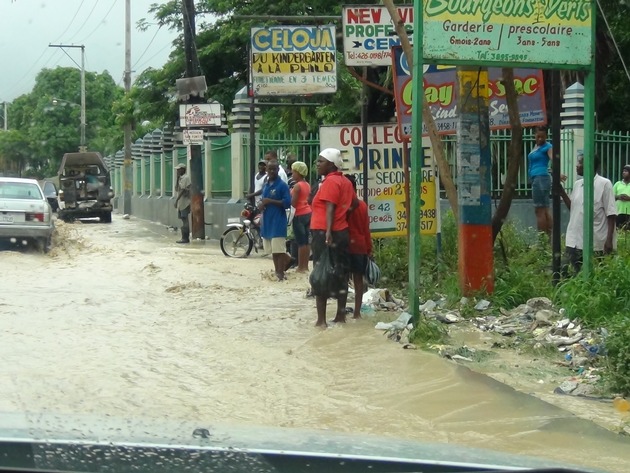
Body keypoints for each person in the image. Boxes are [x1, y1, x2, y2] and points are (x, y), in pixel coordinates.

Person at [309, 148, 356, 327]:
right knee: (341, 272)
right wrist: (342, 219)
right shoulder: (345, 182)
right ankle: (340, 316)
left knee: (321, 273)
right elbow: (353, 204)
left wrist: (329, 230)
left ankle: (321, 320)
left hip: (324, 233)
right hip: (342, 232)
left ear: (331, 164)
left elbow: (330, 207)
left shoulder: (330, 182)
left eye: (321, 161)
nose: (318, 164)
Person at [560, 153, 616, 275]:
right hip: (573, 240)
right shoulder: (577, 184)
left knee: (595, 275)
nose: (577, 165)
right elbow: (573, 208)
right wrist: (561, 192)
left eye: (580, 163)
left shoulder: (604, 184)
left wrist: (609, 240)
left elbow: (611, 214)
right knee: (570, 275)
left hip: (595, 242)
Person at [259, 160, 292, 281]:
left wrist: (270, 201)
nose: (272, 171)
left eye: (274, 169)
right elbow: (264, 199)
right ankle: (279, 271)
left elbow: (288, 203)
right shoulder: (266, 184)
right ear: (266, 170)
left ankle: (280, 273)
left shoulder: (282, 185)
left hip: (278, 221)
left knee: (279, 250)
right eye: (270, 169)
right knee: (273, 251)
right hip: (267, 220)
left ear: (278, 170)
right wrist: (262, 204)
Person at [345, 175, 372, 320]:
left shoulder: (345, 205)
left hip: (346, 245)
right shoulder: (362, 205)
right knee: (358, 280)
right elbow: (366, 229)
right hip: (360, 246)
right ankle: (357, 312)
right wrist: (369, 249)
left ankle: (341, 311)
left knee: (343, 278)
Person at [527, 126, 554, 237]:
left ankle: (543, 239)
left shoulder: (547, 146)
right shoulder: (536, 147)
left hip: (540, 179)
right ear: (534, 135)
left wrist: (556, 172)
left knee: (540, 210)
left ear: (546, 137)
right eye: (538, 136)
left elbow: (553, 158)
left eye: (542, 137)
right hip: (538, 178)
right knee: (545, 208)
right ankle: (548, 239)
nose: (540, 139)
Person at [290, 161, 312, 272]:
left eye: (294, 172)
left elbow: (293, 203)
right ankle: (306, 266)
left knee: (300, 242)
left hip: (299, 214)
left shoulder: (297, 186)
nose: (292, 174)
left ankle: (300, 266)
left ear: (299, 172)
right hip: (308, 212)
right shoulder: (307, 184)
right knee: (307, 241)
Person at [174, 163, 191, 244]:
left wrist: (176, 200)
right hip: (181, 203)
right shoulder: (180, 178)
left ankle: (185, 238)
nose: (177, 171)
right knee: (183, 220)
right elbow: (177, 189)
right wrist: (177, 179)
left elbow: (183, 190)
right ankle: (184, 237)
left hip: (185, 202)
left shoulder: (186, 178)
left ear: (183, 169)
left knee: (185, 220)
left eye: (178, 169)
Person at [613, 164, 630, 230]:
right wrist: (618, 197)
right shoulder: (618, 184)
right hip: (619, 212)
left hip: (629, 213)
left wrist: (629, 198)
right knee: (619, 231)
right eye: (623, 171)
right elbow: (611, 196)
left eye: (626, 171)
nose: (623, 172)